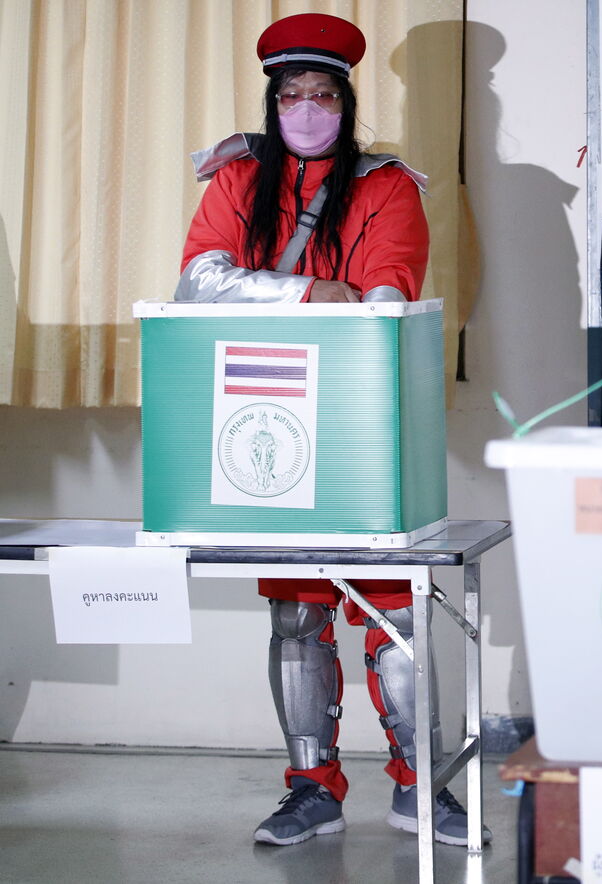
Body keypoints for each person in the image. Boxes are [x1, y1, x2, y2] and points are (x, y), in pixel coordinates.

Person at [174, 13, 488, 848]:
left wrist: (278, 293)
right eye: (291, 95)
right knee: (297, 615)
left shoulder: (387, 187)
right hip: (266, 416)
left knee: (394, 614)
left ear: (345, 105)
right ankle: (312, 791)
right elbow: (198, 281)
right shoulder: (237, 180)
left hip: (361, 416)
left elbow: (386, 298)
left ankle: (421, 789)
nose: (307, 109)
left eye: (322, 94)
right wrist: (311, 292)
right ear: (272, 103)